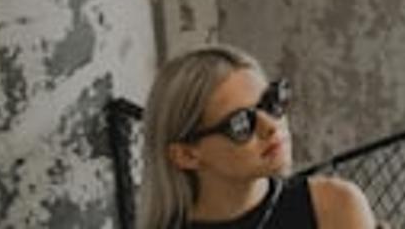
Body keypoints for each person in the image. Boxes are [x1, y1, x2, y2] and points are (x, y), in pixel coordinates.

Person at [140, 46, 381, 229]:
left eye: (273, 102)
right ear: (186, 154)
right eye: (241, 123)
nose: (271, 126)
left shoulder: (333, 207)